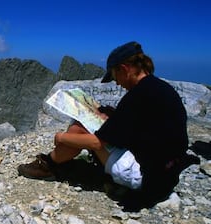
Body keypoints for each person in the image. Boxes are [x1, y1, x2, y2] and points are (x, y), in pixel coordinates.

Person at [18, 41, 191, 209]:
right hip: (166, 174)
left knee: (81, 126)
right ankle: (58, 161)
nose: (117, 83)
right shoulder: (159, 88)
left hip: (143, 177)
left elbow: (97, 143)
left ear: (124, 69)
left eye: (115, 77)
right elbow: (147, 125)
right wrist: (115, 116)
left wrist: (61, 137)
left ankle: (49, 165)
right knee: (91, 125)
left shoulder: (136, 96)